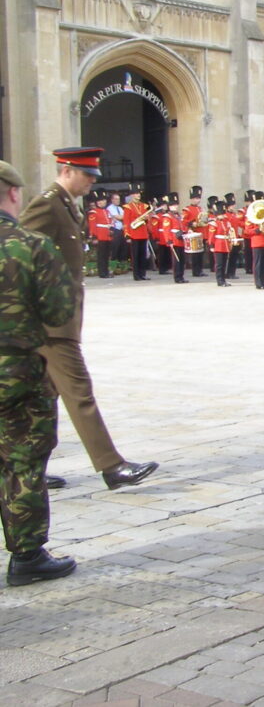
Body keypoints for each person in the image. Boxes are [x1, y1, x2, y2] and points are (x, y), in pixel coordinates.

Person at [20, 147, 159, 490]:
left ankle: (27, 469)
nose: (91, 183)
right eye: (87, 175)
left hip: (61, 317)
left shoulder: (67, 206)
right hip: (50, 322)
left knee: (41, 397)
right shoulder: (47, 204)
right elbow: (17, 251)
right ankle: (111, 466)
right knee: (78, 391)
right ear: (66, 171)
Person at [0, 159, 78, 586]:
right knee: (24, 459)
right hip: (17, 370)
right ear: (14, 194)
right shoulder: (30, 245)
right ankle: (27, 555)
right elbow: (58, 311)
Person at [122, 186, 151, 281]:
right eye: (135, 193)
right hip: (134, 234)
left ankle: (143, 274)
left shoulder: (144, 206)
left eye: (138, 193)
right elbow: (126, 222)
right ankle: (136, 275)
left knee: (143, 255)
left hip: (143, 233)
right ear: (131, 195)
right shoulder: (128, 207)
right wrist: (127, 235)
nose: (138, 195)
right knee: (136, 255)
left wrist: (147, 218)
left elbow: (147, 221)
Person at [86, 190, 113, 278]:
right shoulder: (93, 212)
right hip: (100, 235)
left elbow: (109, 222)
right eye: (100, 201)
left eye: (104, 200)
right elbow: (92, 225)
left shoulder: (106, 212)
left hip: (107, 235)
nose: (102, 202)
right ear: (97, 203)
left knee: (106, 255)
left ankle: (106, 271)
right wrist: (94, 237)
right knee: (101, 255)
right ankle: (102, 273)